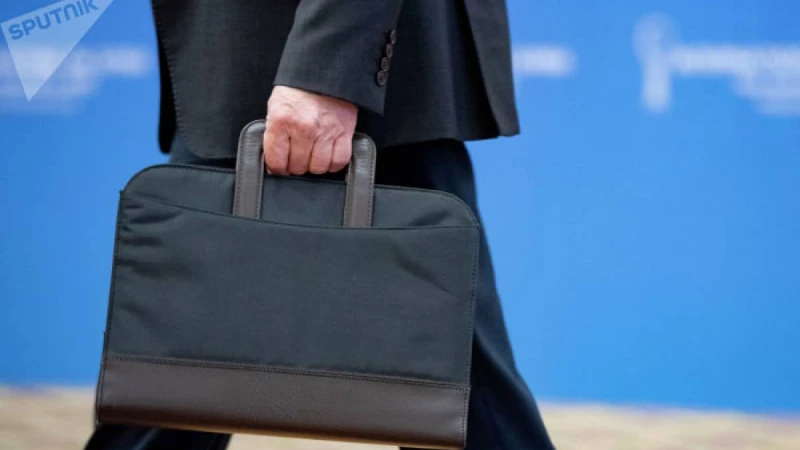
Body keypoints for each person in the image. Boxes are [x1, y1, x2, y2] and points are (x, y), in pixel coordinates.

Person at [84, 0, 555, 449]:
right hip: (276, 70)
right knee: (179, 372)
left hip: (335, 74)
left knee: (450, 380)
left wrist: (326, 72)